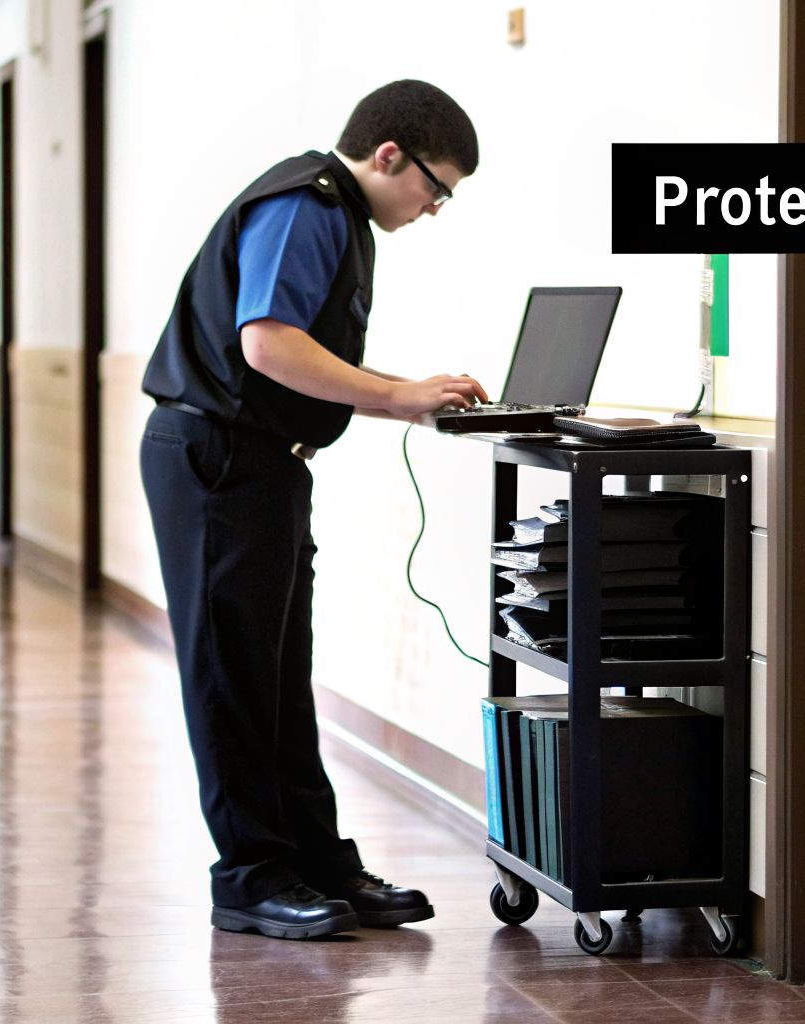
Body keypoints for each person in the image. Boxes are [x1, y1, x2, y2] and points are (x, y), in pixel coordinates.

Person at [138, 80, 486, 940]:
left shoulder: (344, 220)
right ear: (390, 156)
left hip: (265, 463)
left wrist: (411, 397)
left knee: (281, 679)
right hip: (218, 458)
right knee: (232, 678)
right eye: (436, 189)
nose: (434, 209)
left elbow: (299, 356)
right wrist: (399, 395)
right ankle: (250, 878)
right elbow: (267, 344)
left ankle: (317, 862)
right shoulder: (308, 205)